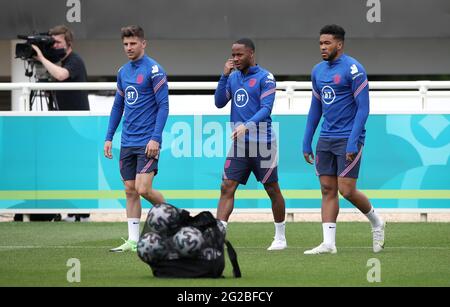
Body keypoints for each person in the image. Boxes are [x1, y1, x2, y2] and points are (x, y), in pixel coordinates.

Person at [302, 24, 385, 255]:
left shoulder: (354, 69)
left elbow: (363, 108)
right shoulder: (317, 71)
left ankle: (377, 222)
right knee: (327, 188)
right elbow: (315, 108)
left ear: (339, 44)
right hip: (326, 138)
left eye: (327, 43)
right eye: (320, 43)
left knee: (346, 190)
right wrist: (307, 140)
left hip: (348, 137)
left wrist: (353, 140)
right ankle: (329, 243)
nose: (322, 47)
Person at [215, 38, 287, 251]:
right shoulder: (233, 78)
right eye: (233, 55)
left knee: (272, 189)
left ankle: (280, 237)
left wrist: (246, 125)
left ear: (251, 54)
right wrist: (224, 75)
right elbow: (219, 102)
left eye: (239, 55)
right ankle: (218, 237)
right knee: (227, 186)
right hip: (240, 144)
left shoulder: (266, 78)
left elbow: (266, 108)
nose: (235, 59)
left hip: (263, 143)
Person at [104, 25, 169, 252]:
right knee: (130, 190)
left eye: (133, 43)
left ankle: (174, 217)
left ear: (143, 43)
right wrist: (109, 136)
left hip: (147, 141)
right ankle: (133, 241)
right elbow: (118, 106)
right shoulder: (123, 72)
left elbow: (163, 106)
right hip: (127, 141)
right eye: (125, 44)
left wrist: (156, 138)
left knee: (143, 189)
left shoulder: (154, 70)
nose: (129, 48)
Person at [32, 24, 90, 222]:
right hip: (65, 123)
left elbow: (61, 75)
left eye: (58, 42)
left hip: (79, 124)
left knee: (78, 167)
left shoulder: (75, 60)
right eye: (52, 42)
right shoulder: (58, 61)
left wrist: (41, 58)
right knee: (65, 166)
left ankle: (82, 214)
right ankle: (69, 210)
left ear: (69, 44)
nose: (54, 46)